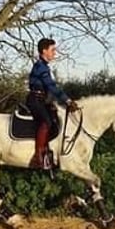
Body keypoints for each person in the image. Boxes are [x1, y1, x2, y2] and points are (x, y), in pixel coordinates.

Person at [26, 38, 79, 169]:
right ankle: (39, 157)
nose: (55, 53)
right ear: (44, 51)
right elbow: (51, 86)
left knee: (55, 120)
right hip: (35, 100)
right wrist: (67, 100)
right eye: (52, 50)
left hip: (42, 100)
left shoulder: (44, 67)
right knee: (46, 122)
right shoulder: (41, 67)